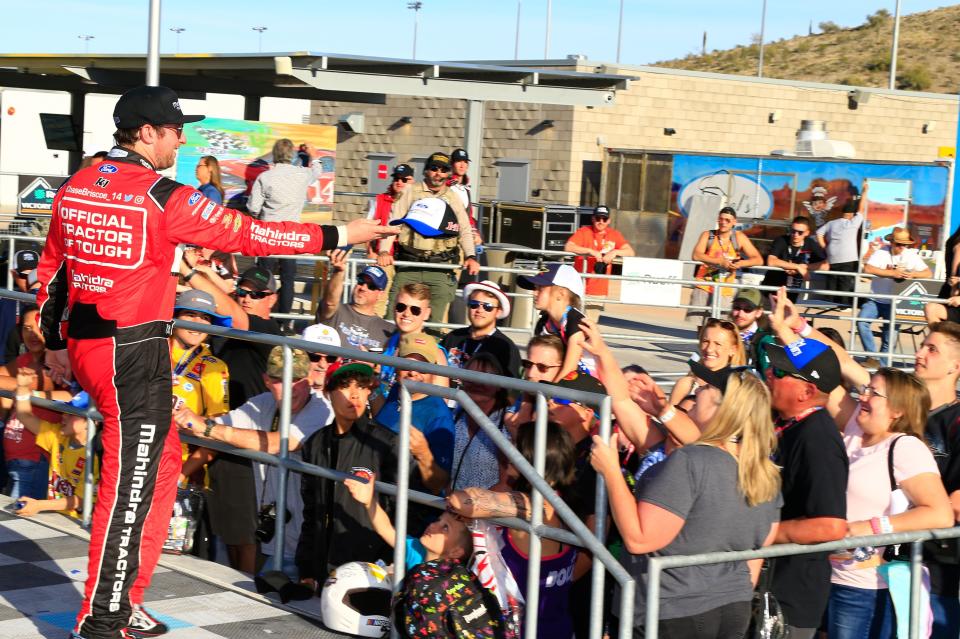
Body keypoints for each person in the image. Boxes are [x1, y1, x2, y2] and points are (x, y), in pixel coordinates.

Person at [33, 84, 396, 639]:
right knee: (129, 486)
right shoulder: (163, 195)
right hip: (129, 351)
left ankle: (127, 599)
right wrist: (340, 232)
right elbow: (251, 233)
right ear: (147, 132)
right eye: (176, 129)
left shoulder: (78, 183)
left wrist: (56, 342)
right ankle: (102, 617)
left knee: (161, 465)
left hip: (96, 345)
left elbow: (53, 269)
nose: (182, 139)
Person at [771, 295, 960, 636]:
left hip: (915, 569)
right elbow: (836, 364)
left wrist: (869, 530)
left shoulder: (918, 440)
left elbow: (946, 510)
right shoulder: (862, 422)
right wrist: (794, 330)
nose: (919, 353)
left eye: (932, 349)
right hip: (828, 570)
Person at [589, 365, 782, 637]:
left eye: (706, 387)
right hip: (732, 606)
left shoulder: (691, 461)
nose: (696, 389)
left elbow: (639, 539)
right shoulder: (765, 472)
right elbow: (760, 546)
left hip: (671, 610)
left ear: (723, 409)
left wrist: (611, 472)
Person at [175, 346, 328, 579]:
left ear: (308, 380)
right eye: (279, 380)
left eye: (297, 380)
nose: (290, 389)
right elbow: (215, 430)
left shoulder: (321, 409)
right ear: (266, 380)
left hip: (309, 547)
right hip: (274, 539)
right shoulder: (263, 403)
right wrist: (183, 417)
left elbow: (280, 443)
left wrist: (205, 426)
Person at [823, 367, 952, 638]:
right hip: (826, 577)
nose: (862, 395)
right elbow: (822, 378)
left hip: (866, 588)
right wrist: (790, 332)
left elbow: (941, 515)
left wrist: (868, 527)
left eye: (873, 392)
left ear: (897, 410)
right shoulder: (855, 430)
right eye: (865, 388)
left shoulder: (906, 448)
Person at [448, 422, 588, 639]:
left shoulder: (529, 505)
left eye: (515, 445)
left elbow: (462, 501)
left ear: (530, 456)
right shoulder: (565, 502)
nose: (508, 449)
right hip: (558, 627)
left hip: (522, 631)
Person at [760, 325, 849, 638]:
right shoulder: (788, 425)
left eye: (780, 371)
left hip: (790, 597)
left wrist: (763, 533)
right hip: (769, 586)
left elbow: (831, 526)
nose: (769, 373)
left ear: (807, 392)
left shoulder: (818, 439)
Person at [296, 361, 401, 587]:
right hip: (323, 569)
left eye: (361, 387)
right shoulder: (314, 443)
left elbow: (404, 513)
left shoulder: (387, 442)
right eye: (345, 386)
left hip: (371, 571)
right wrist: (306, 568)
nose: (355, 395)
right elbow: (311, 512)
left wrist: (389, 563)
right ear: (328, 393)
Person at [379, 151, 480, 322]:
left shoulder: (452, 197)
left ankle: (430, 346)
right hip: (410, 263)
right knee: (394, 313)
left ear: (448, 173)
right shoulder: (411, 192)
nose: (438, 173)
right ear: (426, 171)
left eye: (443, 169)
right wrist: (383, 251)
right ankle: (391, 347)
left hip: (439, 268)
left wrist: (471, 256)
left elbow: (464, 228)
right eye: (434, 168)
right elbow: (393, 223)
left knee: (436, 320)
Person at [248, 138, 328, 315]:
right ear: (291, 156)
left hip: (267, 234)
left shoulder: (265, 177)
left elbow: (253, 208)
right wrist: (312, 154)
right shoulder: (302, 174)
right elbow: (318, 170)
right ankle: (284, 321)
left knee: (263, 277)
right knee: (288, 279)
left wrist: (260, 216)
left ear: (274, 155)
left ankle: (260, 315)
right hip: (291, 235)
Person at [375, 332, 455, 495]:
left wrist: (423, 453)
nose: (413, 372)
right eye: (407, 364)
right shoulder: (398, 389)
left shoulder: (439, 417)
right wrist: (372, 391)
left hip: (410, 509)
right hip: (379, 494)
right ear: (396, 365)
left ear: (434, 371)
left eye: (422, 367)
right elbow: (382, 418)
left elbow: (438, 485)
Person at [346, 471, 472, 570]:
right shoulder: (416, 549)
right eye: (438, 520)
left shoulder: (453, 580)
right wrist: (369, 502)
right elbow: (385, 529)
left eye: (445, 527)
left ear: (456, 552)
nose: (433, 525)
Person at [168, 290, 231, 490]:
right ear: (175, 317)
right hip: (137, 456)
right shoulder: (152, 351)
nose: (198, 323)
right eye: (190, 314)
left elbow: (217, 435)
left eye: (205, 318)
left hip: (180, 473)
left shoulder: (213, 367)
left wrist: (180, 474)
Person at [11, 381, 98, 521]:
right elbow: (24, 416)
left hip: (78, 526)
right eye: (64, 411)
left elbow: (81, 500)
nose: (63, 416)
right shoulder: (58, 436)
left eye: (71, 414)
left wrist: (39, 505)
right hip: (55, 518)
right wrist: (22, 385)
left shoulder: (94, 456)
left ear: (91, 422)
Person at [857, 227, 931, 364]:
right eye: (899, 244)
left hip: (896, 302)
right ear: (892, 243)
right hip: (875, 299)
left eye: (905, 244)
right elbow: (868, 268)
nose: (902, 247)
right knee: (862, 321)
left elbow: (927, 273)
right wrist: (892, 273)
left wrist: (912, 274)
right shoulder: (881, 253)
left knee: (889, 338)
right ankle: (872, 357)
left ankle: (883, 368)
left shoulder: (911, 256)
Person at [517, 263, 591, 381]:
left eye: (540, 288)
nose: (534, 293)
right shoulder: (544, 322)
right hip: (562, 381)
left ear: (560, 294)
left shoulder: (575, 321)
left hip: (585, 382)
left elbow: (570, 369)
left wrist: (548, 396)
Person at [451, 353, 512, 491]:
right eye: (471, 376)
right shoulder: (456, 414)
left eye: (485, 377)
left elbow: (506, 484)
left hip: (485, 508)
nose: (477, 383)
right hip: (448, 504)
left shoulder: (507, 424)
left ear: (499, 385)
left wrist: (469, 508)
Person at [378, 282, 449, 400]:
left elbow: (442, 403)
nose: (406, 314)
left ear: (426, 314)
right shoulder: (391, 342)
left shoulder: (436, 354)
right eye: (401, 307)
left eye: (415, 310)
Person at [688, 206, 762, 319]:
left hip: (725, 288)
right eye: (721, 219)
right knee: (700, 325)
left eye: (727, 220)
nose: (723, 222)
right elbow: (696, 255)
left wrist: (739, 264)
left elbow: (758, 259)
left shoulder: (739, 237)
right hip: (703, 285)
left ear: (734, 222)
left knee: (721, 324)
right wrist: (719, 261)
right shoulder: (708, 235)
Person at [316, 248, 393, 351]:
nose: (363, 288)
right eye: (361, 281)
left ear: (380, 294)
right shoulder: (336, 312)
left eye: (371, 286)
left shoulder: (387, 330)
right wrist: (339, 272)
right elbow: (330, 302)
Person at [441, 280, 520, 377]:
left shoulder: (506, 347)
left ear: (498, 311)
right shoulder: (453, 337)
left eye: (488, 307)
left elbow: (509, 388)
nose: (479, 310)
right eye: (474, 304)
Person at [367, 163, 415, 315]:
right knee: (379, 299)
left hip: (407, 258)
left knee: (405, 300)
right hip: (383, 257)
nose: (399, 182)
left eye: (404, 179)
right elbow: (368, 228)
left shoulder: (417, 202)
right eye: (396, 178)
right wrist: (370, 253)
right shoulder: (379, 200)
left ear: (411, 181)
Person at [669, 317, 745, 405]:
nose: (709, 349)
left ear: (733, 349)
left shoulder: (741, 388)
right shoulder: (686, 385)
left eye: (718, 344)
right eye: (705, 341)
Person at [564, 205, 635, 299]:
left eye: (604, 219)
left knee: (593, 313)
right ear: (593, 219)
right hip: (578, 288)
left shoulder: (614, 234)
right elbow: (568, 247)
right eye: (598, 218)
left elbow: (630, 252)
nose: (601, 222)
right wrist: (590, 251)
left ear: (609, 221)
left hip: (598, 291)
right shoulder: (583, 231)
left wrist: (614, 252)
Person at [504, 334, 565, 433]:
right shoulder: (526, 395)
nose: (531, 373)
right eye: (528, 364)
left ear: (561, 368)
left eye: (542, 367)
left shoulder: (566, 407)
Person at [761, 215, 828, 303]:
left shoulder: (810, 243)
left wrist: (805, 267)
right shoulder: (781, 240)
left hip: (792, 292)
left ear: (807, 233)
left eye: (800, 232)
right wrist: (797, 267)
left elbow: (825, 265)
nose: (795, 235)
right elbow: (771, 261)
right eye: (793, 231)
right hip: (771, 289)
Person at [817, 194, 865, 307]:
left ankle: (828, 303)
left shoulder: (831, 223)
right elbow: (861, 209)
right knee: (845, 281)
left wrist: (825, 247)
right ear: (852, 214)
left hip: (832, 257)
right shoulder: (853, 223)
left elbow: (819, 233)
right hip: (848, 258)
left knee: (832, 280)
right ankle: (843, 305)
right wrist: (865, 191)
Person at [727, 288, 775, 375]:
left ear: (759, 312)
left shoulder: (764, 340)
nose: (740, 314)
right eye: (737, 308)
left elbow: (768, 379)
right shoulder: (725, 334)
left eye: (747, 310)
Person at [299, 322, 341, 395]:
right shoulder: (288, 392)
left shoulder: (346, 397)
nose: (323, 365)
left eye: (331, 358)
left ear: (339, 359)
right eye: (314, 357)